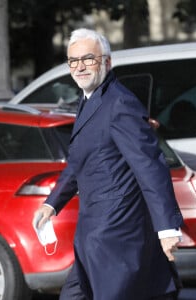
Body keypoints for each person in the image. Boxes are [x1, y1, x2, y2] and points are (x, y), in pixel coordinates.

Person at [33, 28, 184, 300]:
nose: (80, 67)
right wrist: (52, 203)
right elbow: (80, 160)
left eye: (88, 59)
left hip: (118, 237)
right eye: (73, 61)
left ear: (107, 62)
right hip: (92, 235)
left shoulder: (120, 103)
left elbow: (150, 166)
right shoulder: (89, 101)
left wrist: (167, 227)